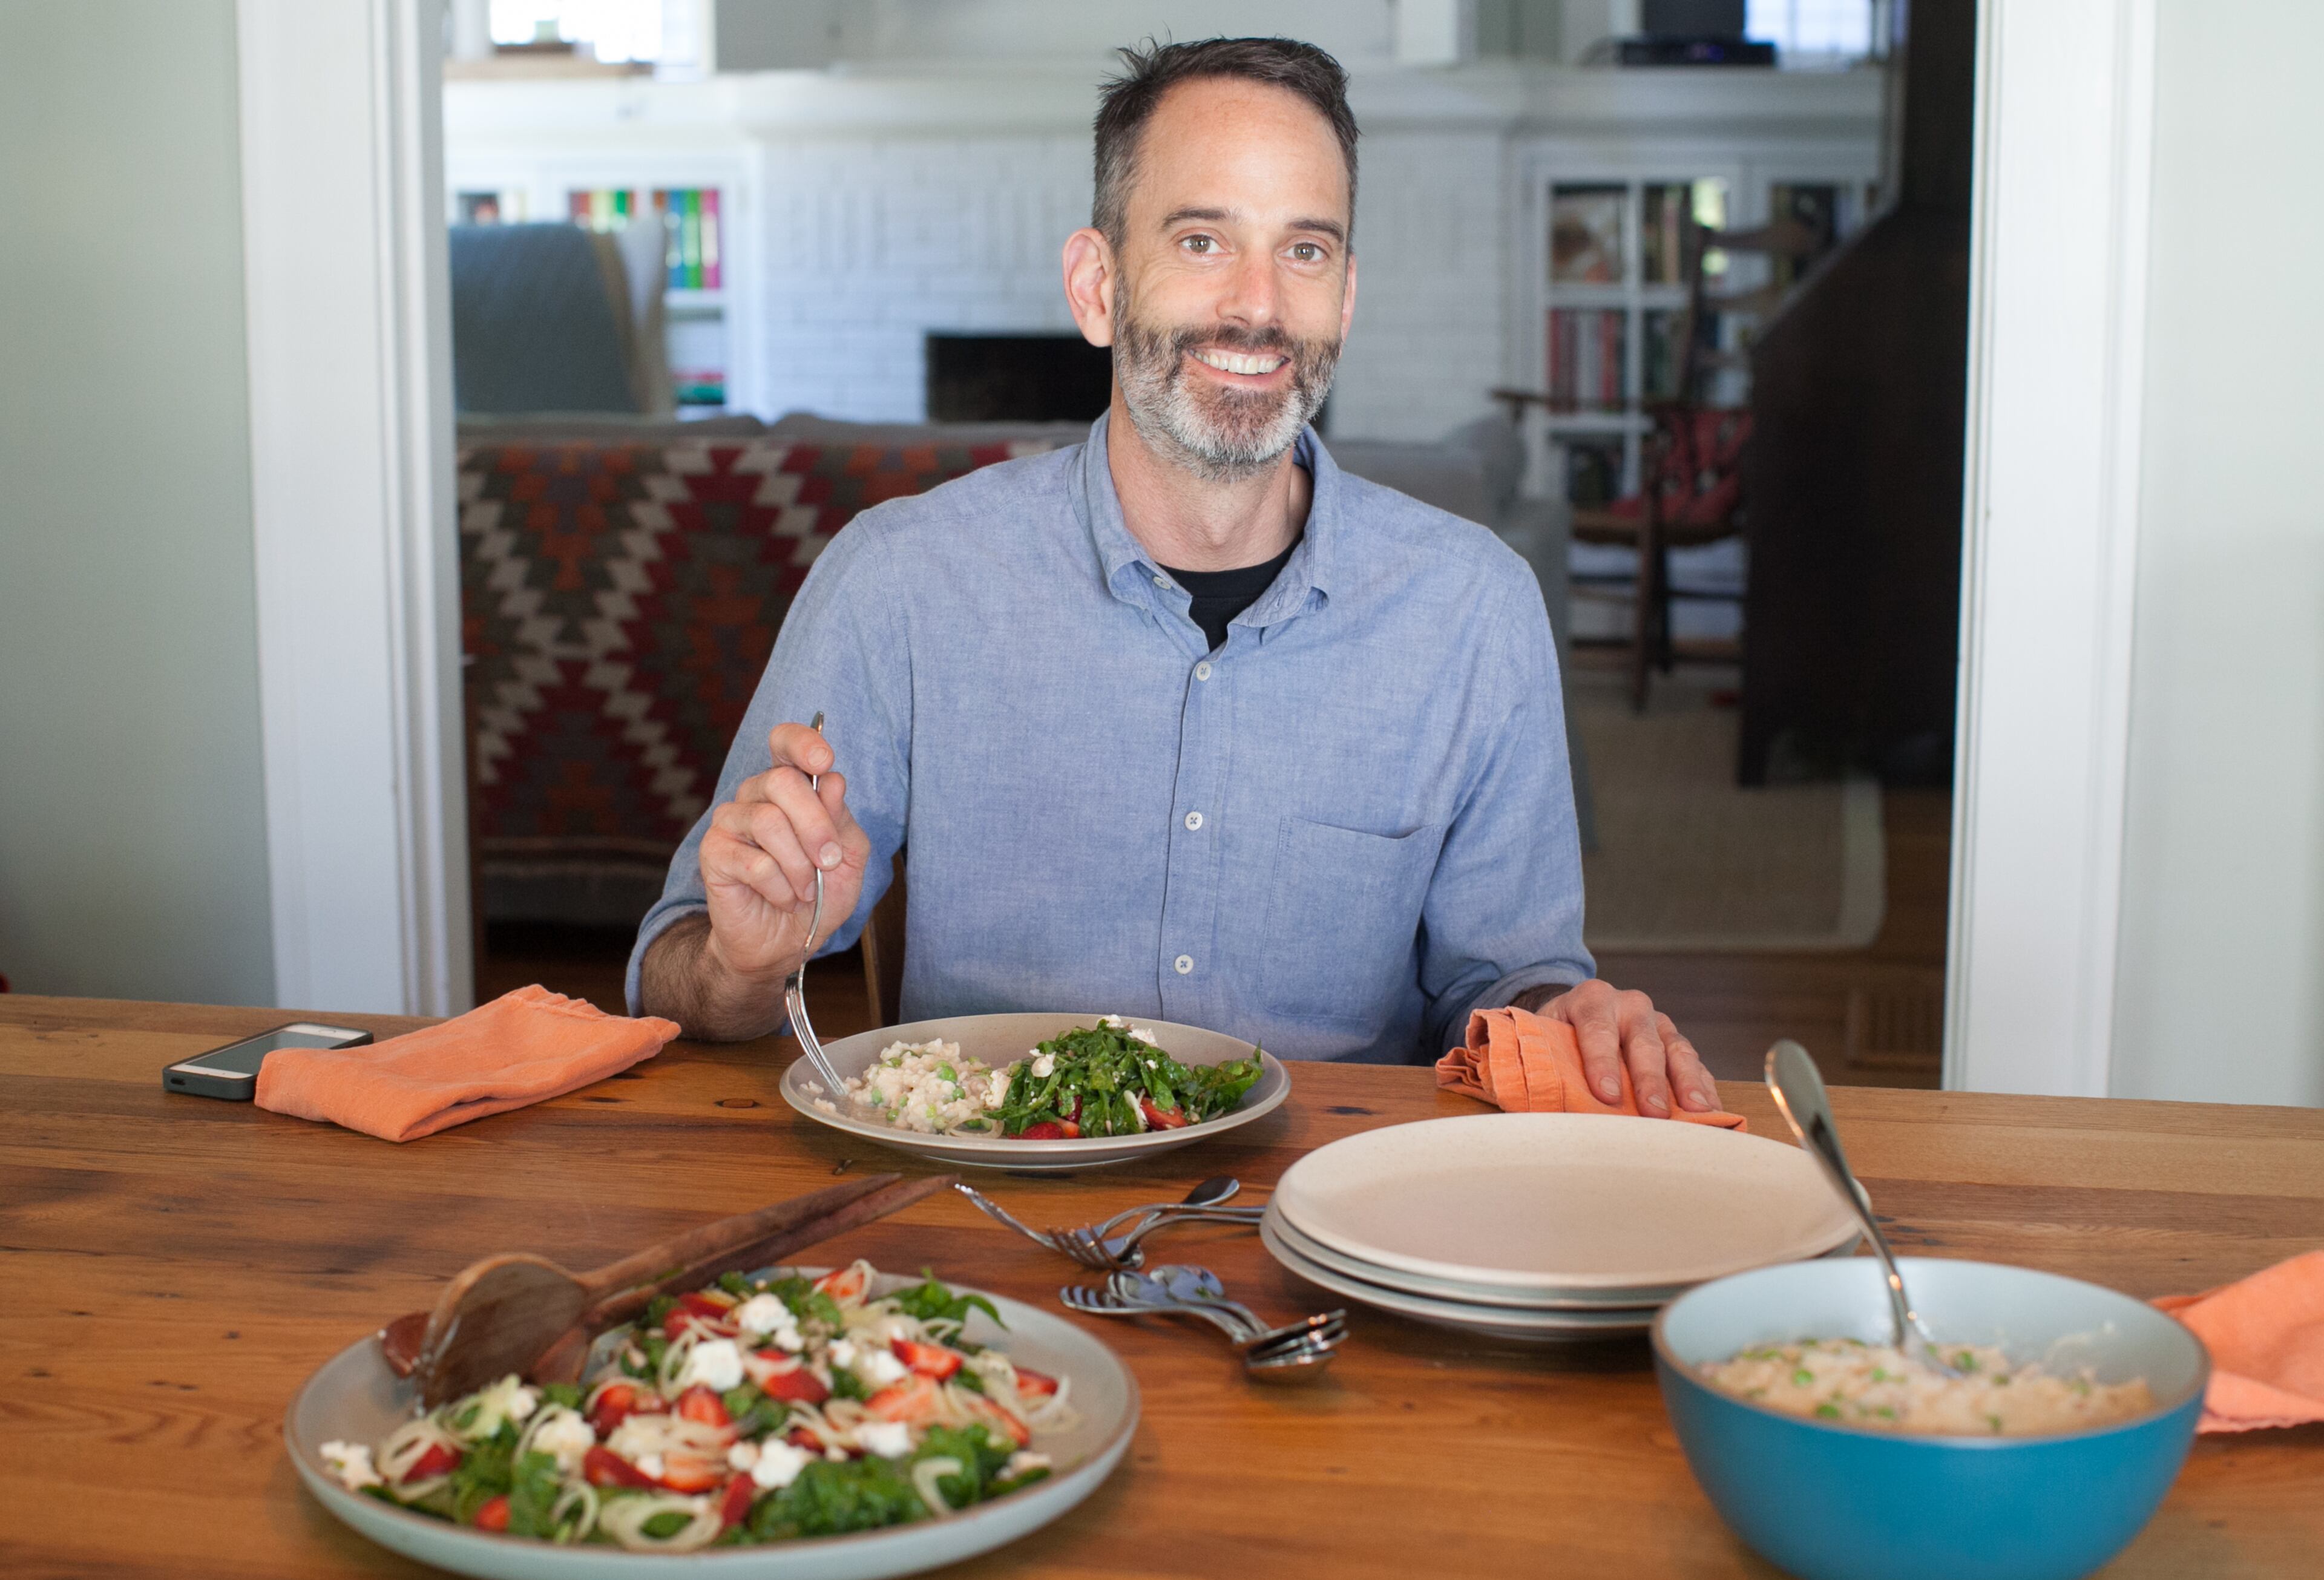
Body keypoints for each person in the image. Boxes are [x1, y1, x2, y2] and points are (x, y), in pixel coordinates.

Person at [630, 36, 1722, 1117]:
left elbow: (1506, 982)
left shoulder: (1475, 610)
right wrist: (743, 962)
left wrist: (1562, 1015)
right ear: (1097, 287)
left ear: (1345, 298)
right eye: (1203, 240)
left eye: (1305, 250)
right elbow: (672, 974)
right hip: (982, 1219)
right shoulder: (900, 583)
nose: (1258, 305)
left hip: (1329, 1212)